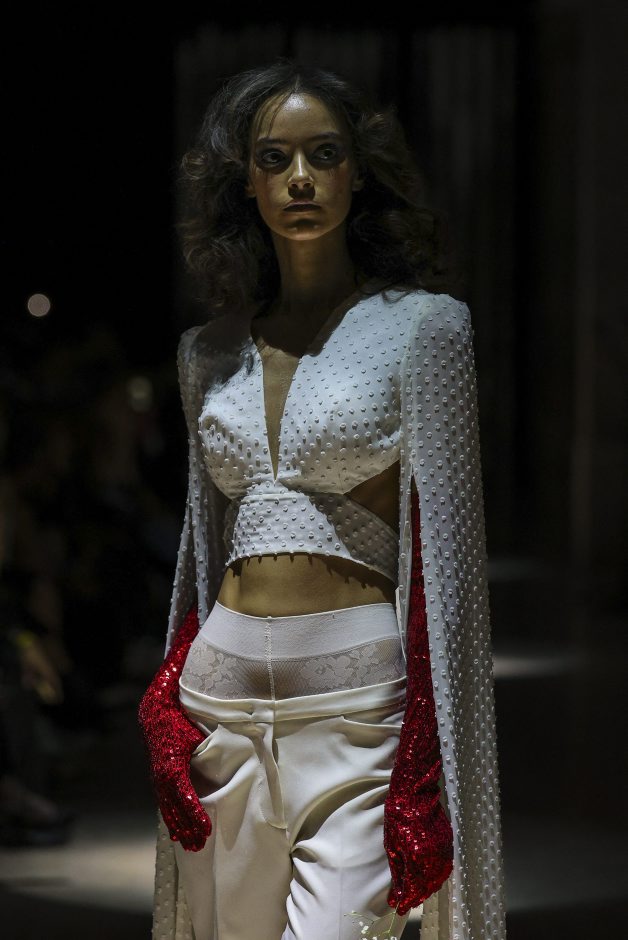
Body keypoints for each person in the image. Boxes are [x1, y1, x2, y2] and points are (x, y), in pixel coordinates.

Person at [138, 61, 507, 940]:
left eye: (324, 154)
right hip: (220, 708)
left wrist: (435, 758)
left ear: (358, 171)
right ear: (246, 182)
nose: (299, 178)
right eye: (274, 158)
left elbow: (453, 573)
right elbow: (203, 549)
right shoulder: (206, 353)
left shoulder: (424, 328)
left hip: (357, 714)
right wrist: (168, 696)